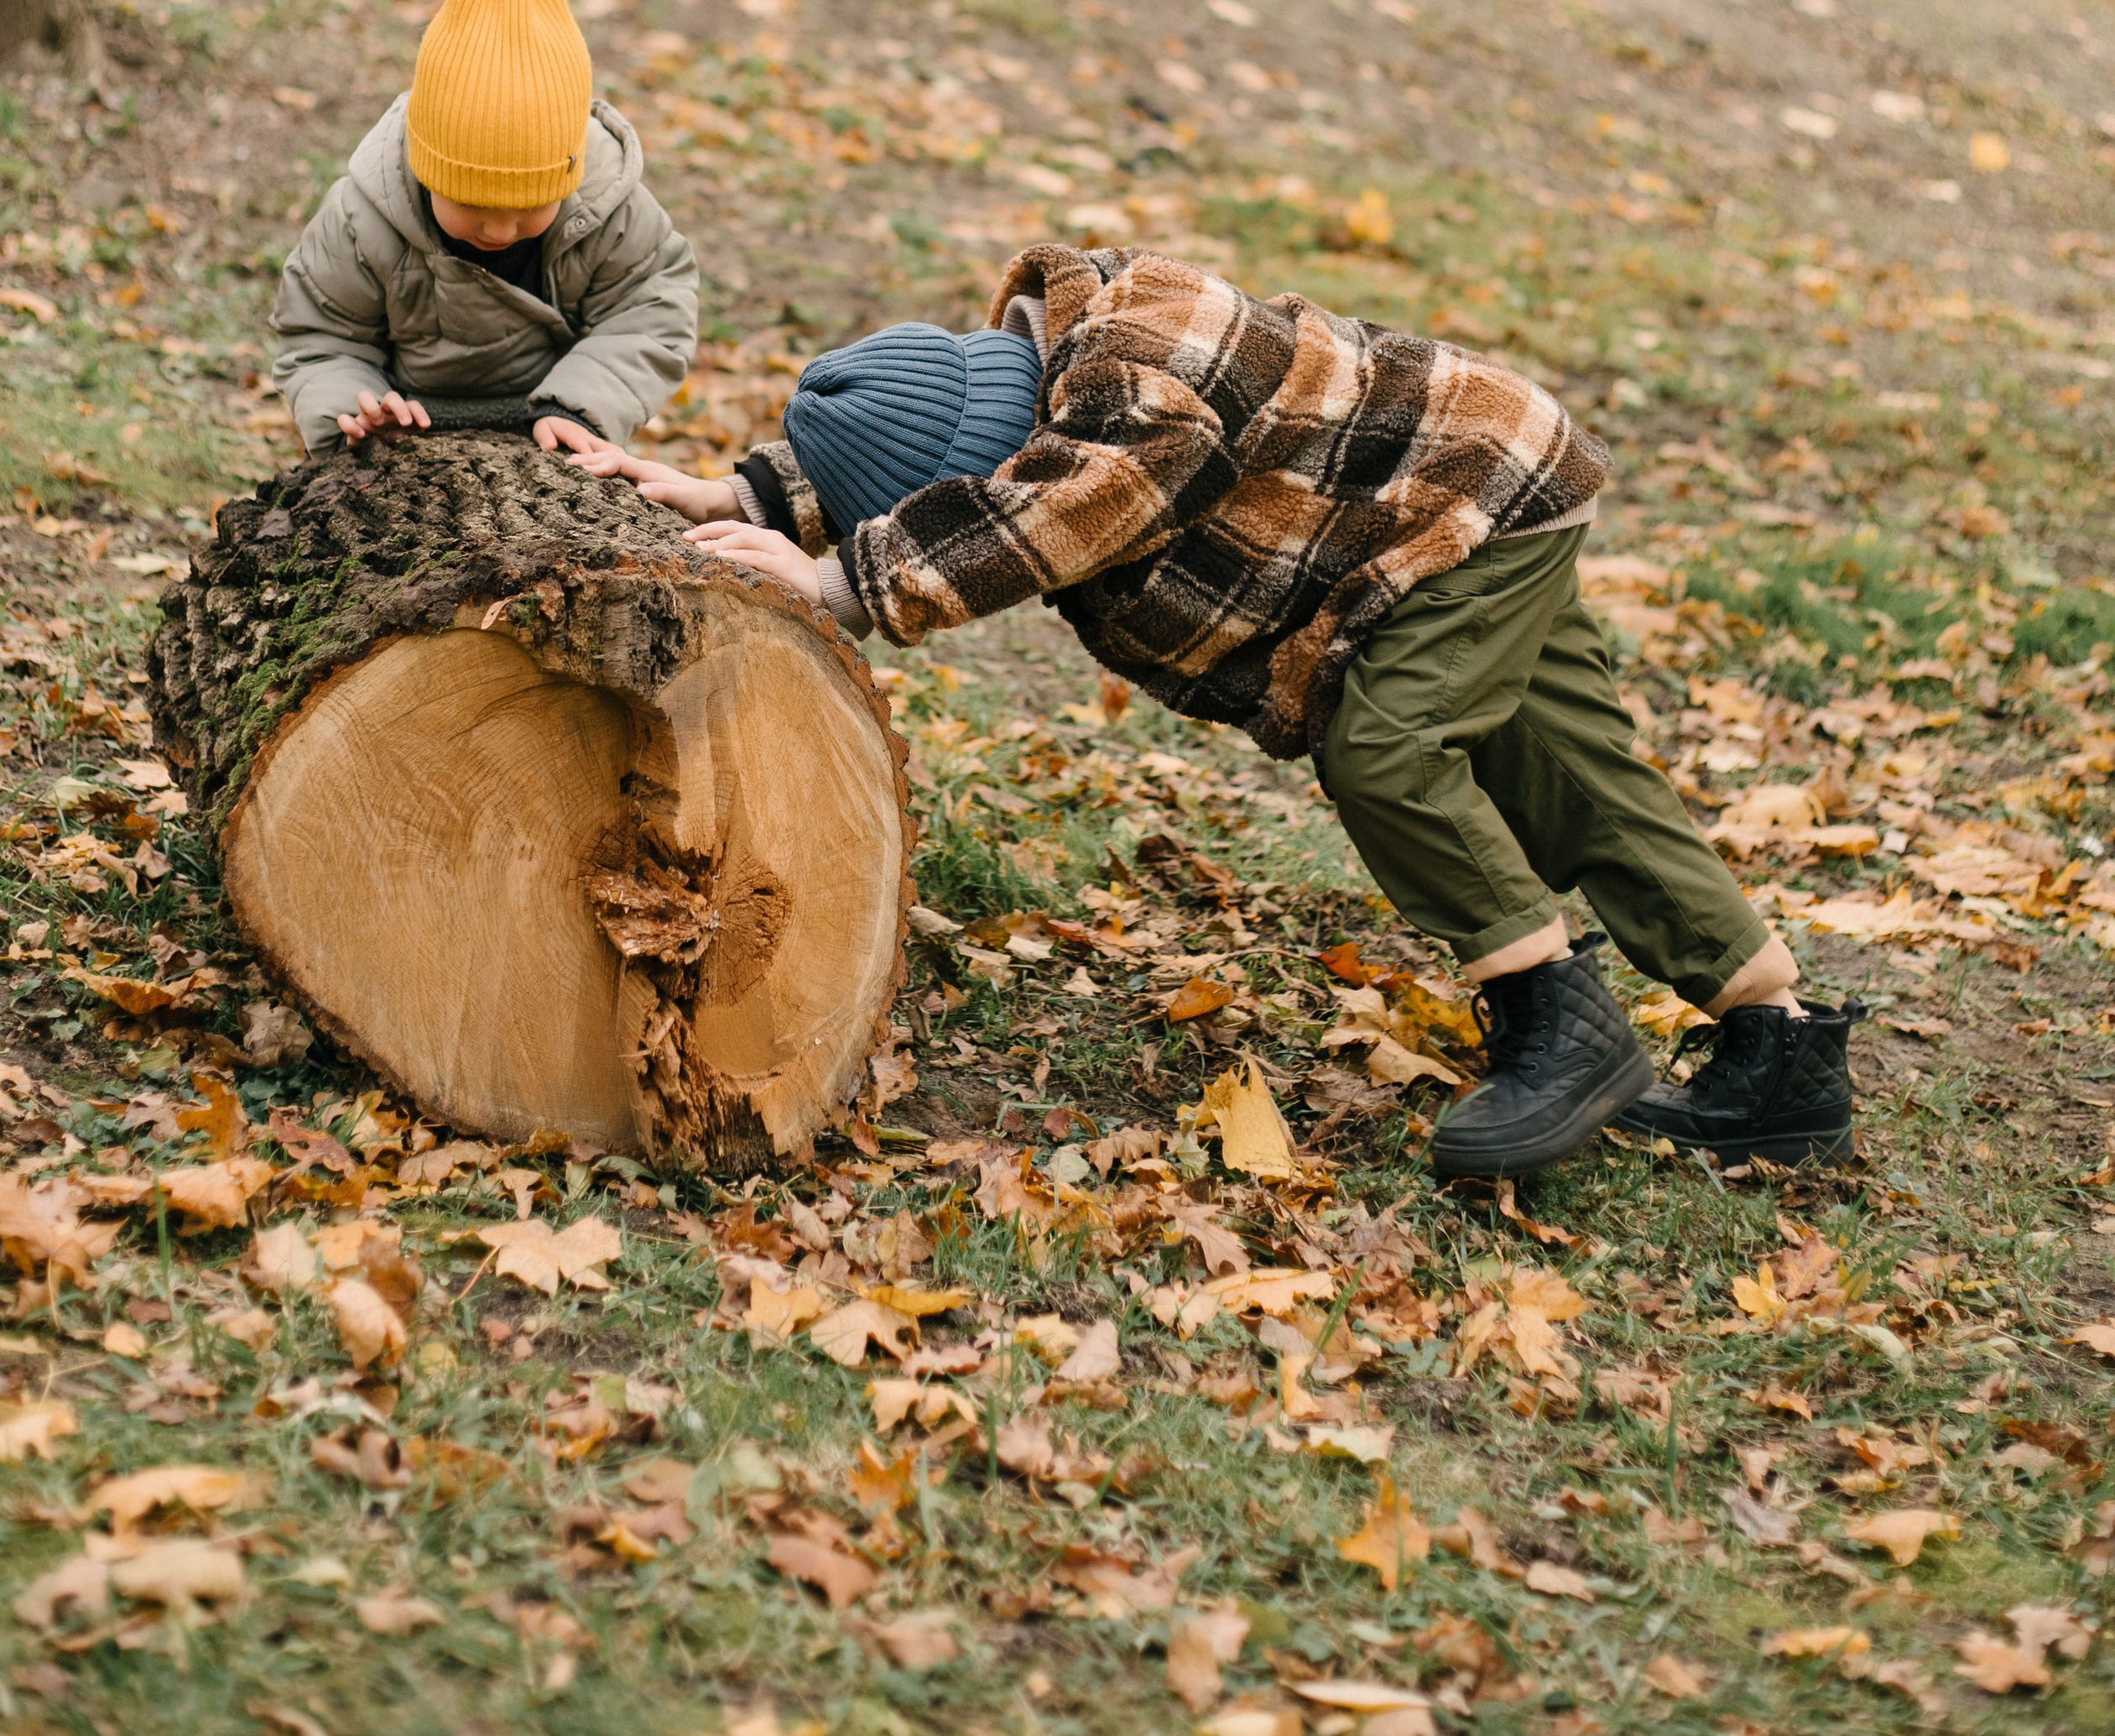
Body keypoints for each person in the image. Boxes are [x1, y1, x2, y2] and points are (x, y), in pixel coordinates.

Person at [569, 241, 1859, 1181]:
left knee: (1386, 744)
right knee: (1570, 770)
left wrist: (849, 580)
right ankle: (1779, 1052)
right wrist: (741, 498)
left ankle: (1555, 1022)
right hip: (1442, 522)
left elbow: (1067, 491)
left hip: (1471, 500)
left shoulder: (1139, 360)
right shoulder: (1027, 385)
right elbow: (939, 455)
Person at [270, 0, 699, 458]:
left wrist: (577, 408)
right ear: (426, 168)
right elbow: (321, 337)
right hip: (407, 432)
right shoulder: (362, 219)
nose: (499, 228)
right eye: (470, 201)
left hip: (548, 427)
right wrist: (357, 411)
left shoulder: (608, 210)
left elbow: (651, 311)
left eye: (531, 204)